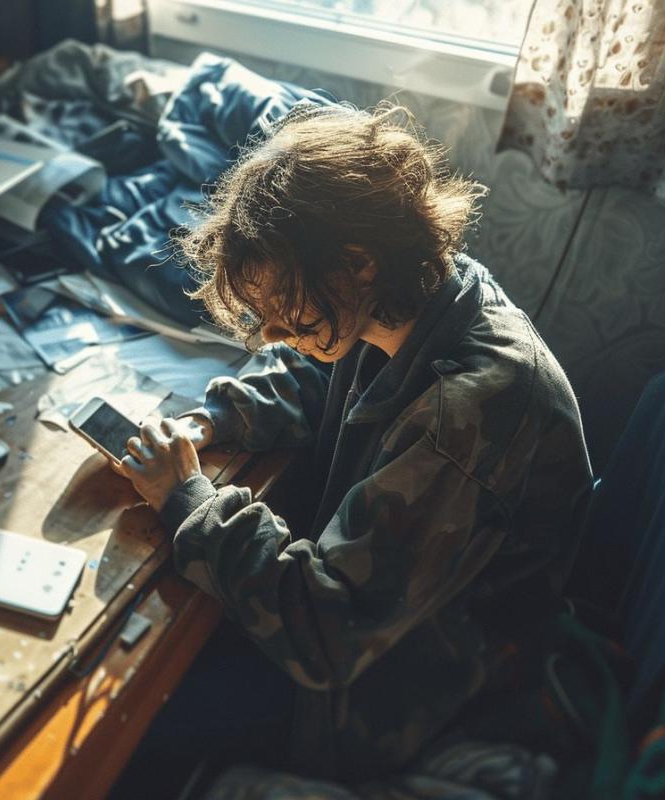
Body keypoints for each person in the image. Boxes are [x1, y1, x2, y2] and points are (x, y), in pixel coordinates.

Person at [110, 103, 594, 794]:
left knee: (135, 717)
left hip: (402, 686)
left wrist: (189, 500)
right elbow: (317, 364)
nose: (275, 334)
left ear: (358, 265)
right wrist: (217, 418)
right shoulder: (424, 292)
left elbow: (324, 630)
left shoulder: (467, 410)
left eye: (290, 314)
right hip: (379, 624)